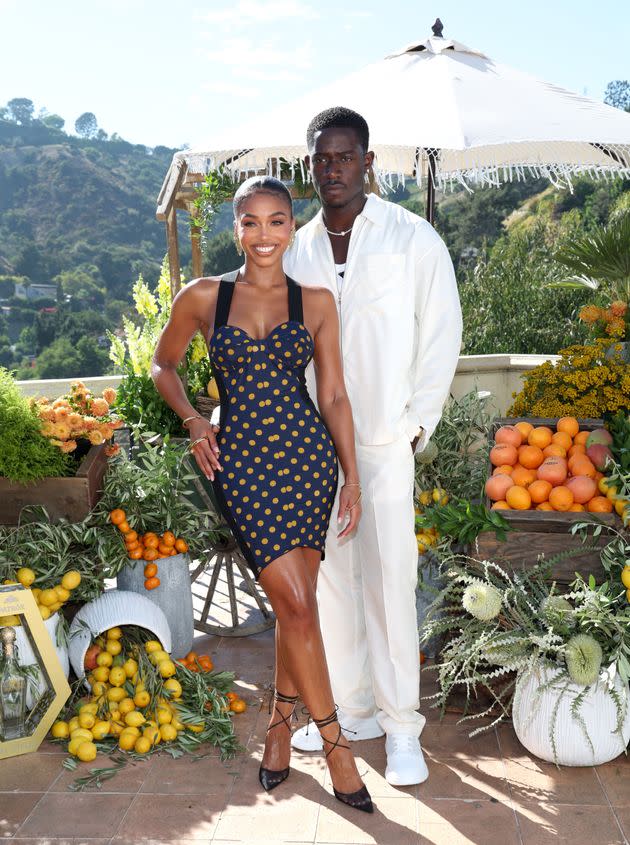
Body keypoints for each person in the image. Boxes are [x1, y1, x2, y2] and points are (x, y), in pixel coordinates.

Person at [151, 176, 373, 813]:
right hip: (242, 466)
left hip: (307, 462)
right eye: (251, 222)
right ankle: (336, 750)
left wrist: (351, 475)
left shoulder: (317, 302)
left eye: (278, 222)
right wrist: (196, 418)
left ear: (292, 226)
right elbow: (163, 365)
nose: (265, 235)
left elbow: (332, 396)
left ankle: (279, 732)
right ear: (236, 227)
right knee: (300, 606)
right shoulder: (204, 298)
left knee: (292, 608)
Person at [284, 107, 463, 787]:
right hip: (316, 449)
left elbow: (442, 332)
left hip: (387, 445)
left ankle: (402, 728)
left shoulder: (411, 239)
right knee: (334, 582)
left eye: (345, 156)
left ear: (367, 162)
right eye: (321, 159)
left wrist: (417, 425)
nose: (333, 169)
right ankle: (354, 708)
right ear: (310, 167)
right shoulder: (296, 248)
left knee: (391, 582)